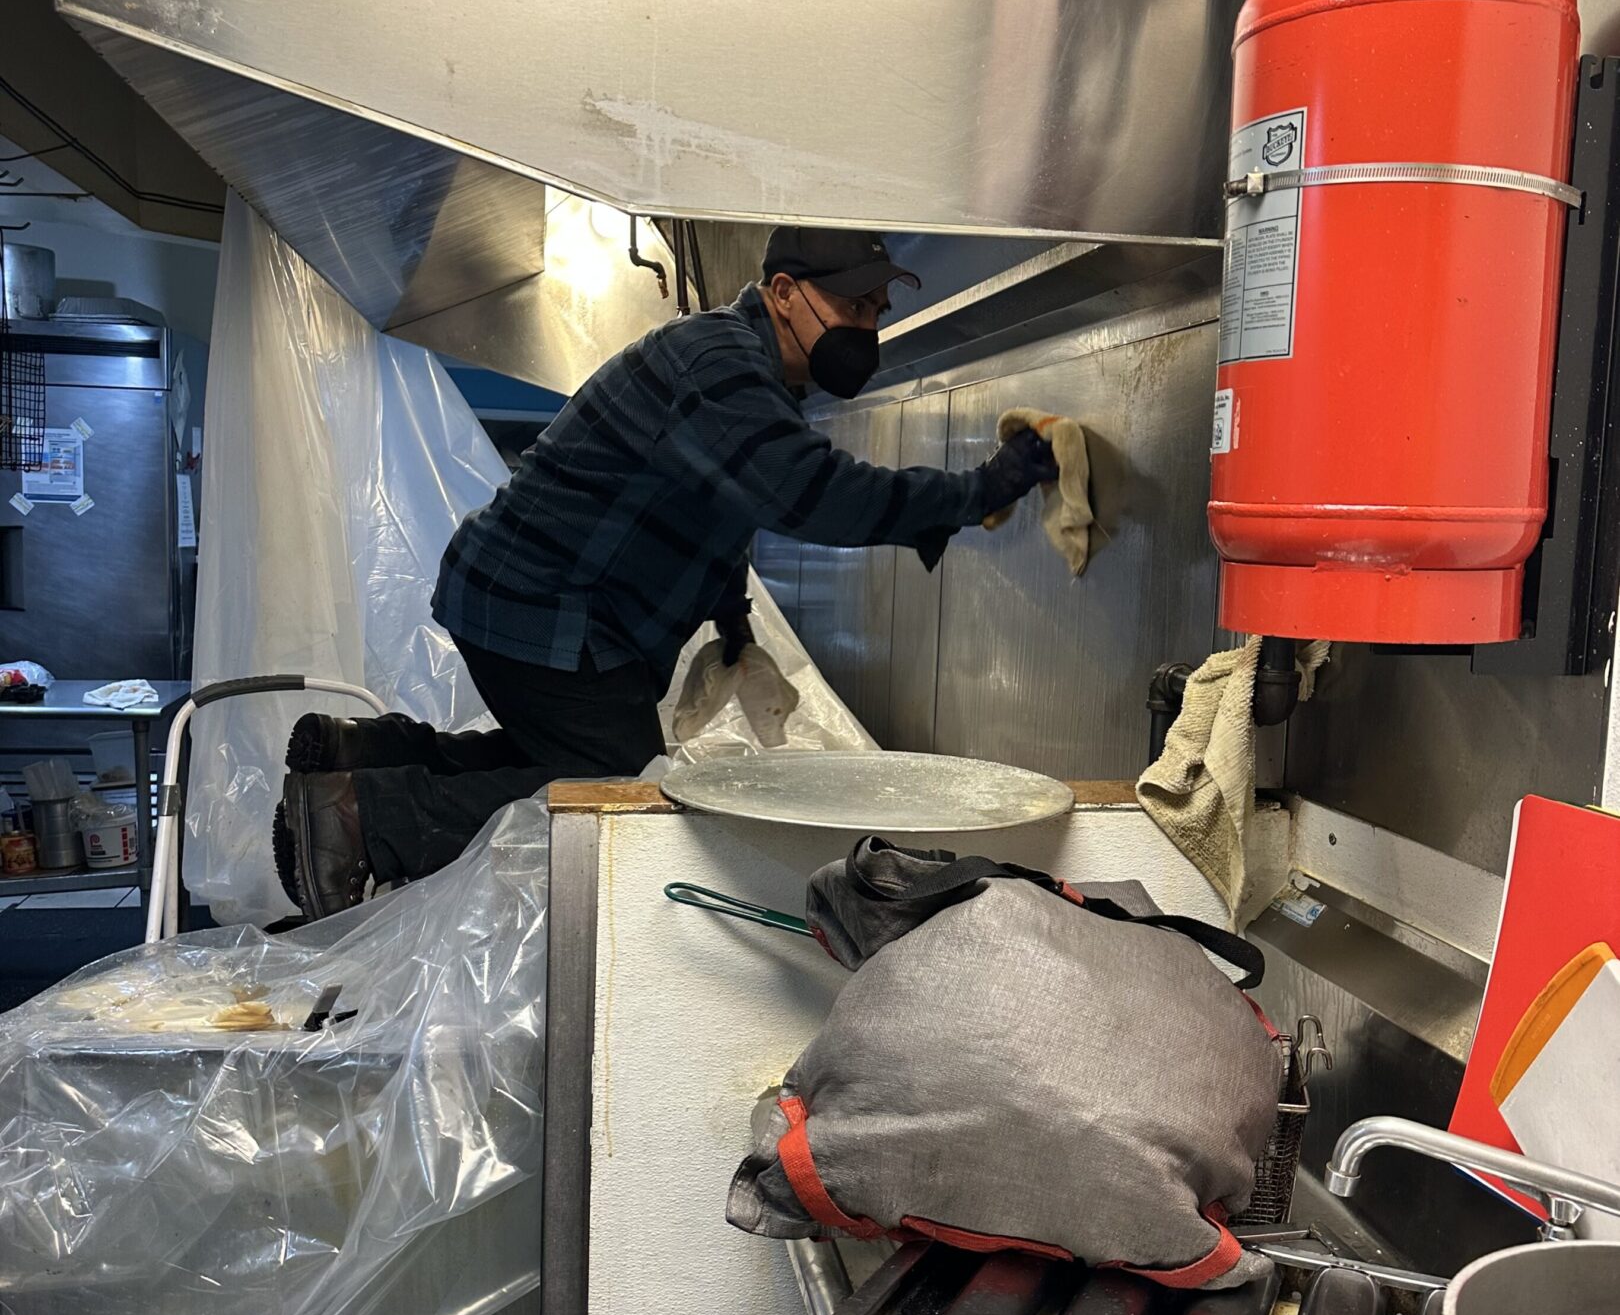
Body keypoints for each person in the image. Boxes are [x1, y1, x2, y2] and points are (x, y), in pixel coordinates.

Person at [277, 226, 1058, 916]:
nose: (866, 325)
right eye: (852, 306)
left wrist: (730, 617)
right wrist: (975, 491)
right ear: (784, 293)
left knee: (564, 762)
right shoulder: (718, 363)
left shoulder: (752, 376)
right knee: (607, 786)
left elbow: (708, 505)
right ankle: (357, 820)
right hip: (546, 607)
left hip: (535, 601)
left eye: (876, 309)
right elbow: (812, 494)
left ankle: (366, 756)